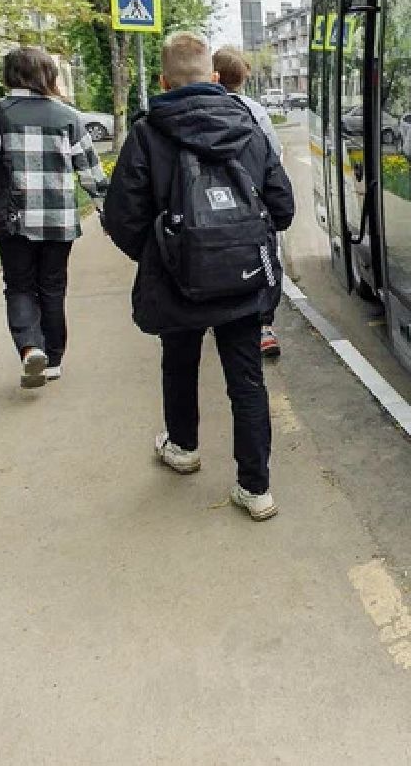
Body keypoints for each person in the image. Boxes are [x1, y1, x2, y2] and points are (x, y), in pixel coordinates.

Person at [103, 32, 295, 522]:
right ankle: (256, 489)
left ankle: (184, 447)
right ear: (214, 78)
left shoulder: (147, 134)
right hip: (245, 276)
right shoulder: (249, 127)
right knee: (246, 380)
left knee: (179, 361)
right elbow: (283, 207)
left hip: (176, 279)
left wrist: (158, 254)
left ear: (163, 81)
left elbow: (121, 216)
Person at [0, 47, 110, 388]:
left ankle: (30, 349)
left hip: (14, 221)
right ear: (47, 76)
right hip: (59, 221)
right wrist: (108, 211)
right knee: (53, 288)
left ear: (9, 76)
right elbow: (91, 173)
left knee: (20, 286)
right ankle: (53, 359)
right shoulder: (68, 116)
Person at [212, 47, 284, 359]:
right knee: (264, 261)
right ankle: (264, 326)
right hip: (253, 207)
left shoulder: (198, 109)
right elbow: (274, 158)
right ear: (244, 77)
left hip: (211, 206)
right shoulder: (255, 112)